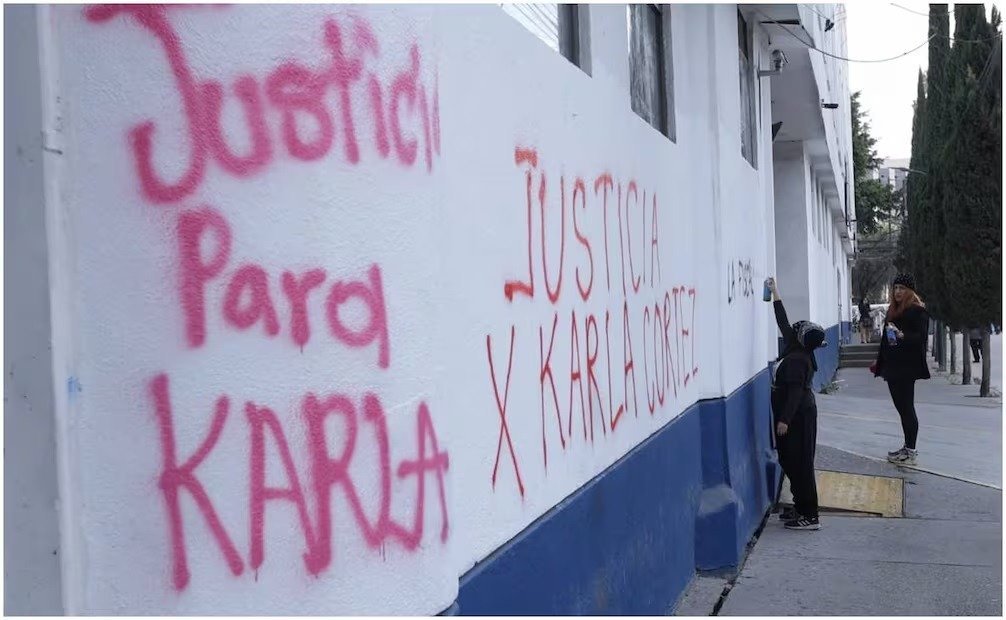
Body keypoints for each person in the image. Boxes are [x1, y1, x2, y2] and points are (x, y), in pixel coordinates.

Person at [767, 277, 827, 531]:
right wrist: (775, 292)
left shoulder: (797, 360)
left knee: (800, 463)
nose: (794, 329)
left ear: (803, 338)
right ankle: (800, 505)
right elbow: (783, 322)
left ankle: (810, 515)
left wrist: (784, 420)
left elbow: (794, 394)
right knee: (790, 460)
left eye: (799, 329)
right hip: (797, 414)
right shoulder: (798, 348)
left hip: (798, 417)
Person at [872, 273, 930, 465]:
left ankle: (911, 451)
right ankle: (907, 446)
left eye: (902, 288)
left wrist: (902, 335)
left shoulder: (917, 311)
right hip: (892, 366)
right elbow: (886, 341)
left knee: (906, 408)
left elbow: (921, 339)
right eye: (895, 288)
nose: (897, 292)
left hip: (906, 368)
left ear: (910, 291)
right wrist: (879, 362)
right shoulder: (893, 311)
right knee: (901, 409)